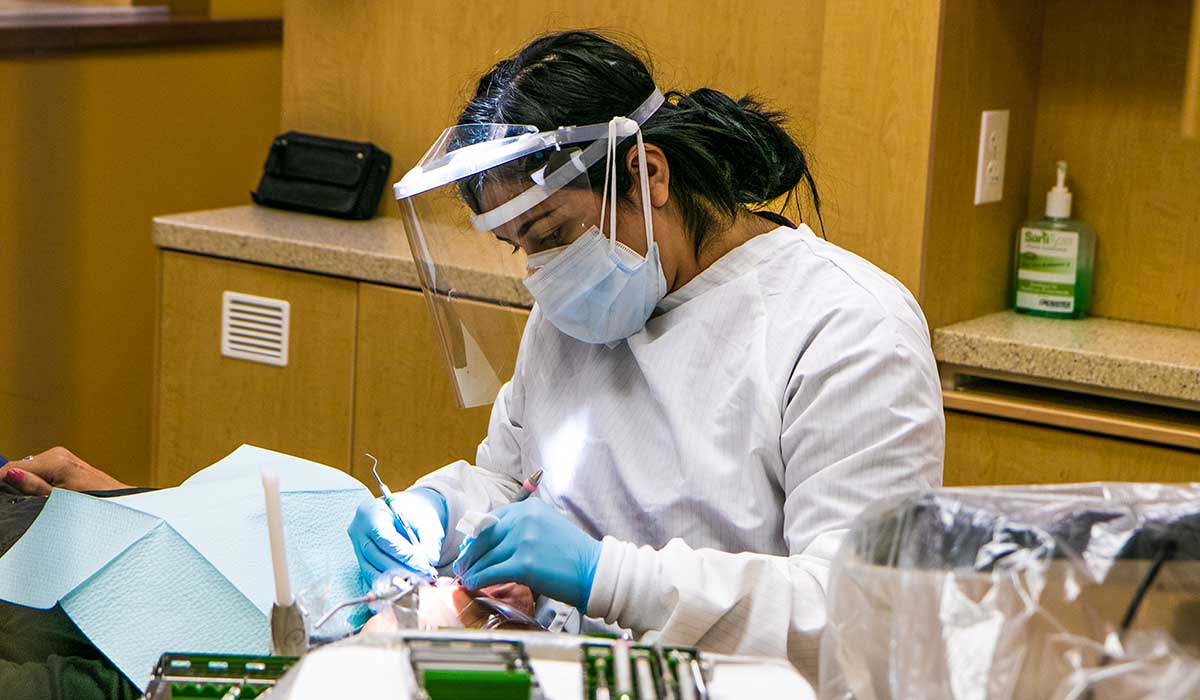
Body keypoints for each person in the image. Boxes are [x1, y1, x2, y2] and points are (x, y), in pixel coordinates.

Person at [348, 30, 944, 677]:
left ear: (647, 174)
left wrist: (608, 577)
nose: (544, 272)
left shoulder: (847, 328)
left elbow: (857, 614)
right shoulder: (578, 308)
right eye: (523, 245)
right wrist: (439, 507)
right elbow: (515, 480)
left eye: (552, 233)